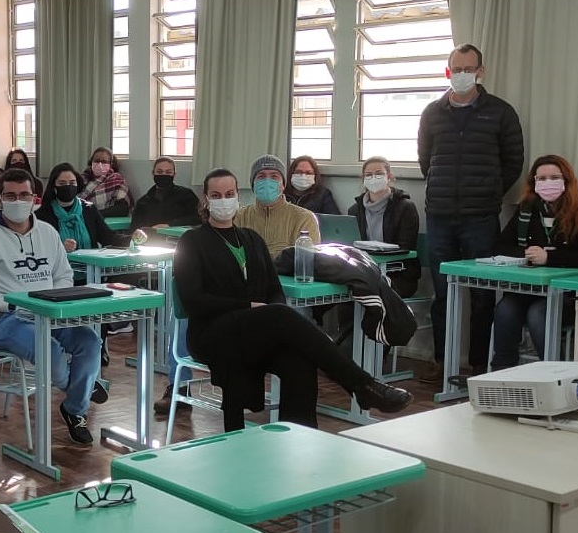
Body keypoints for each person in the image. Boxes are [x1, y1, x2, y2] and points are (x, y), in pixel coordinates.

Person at [174, 169, 412, 432]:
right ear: (205, 199)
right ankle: (362, 384)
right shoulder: (192, 241)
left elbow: (273, 290)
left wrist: (263, 313)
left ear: (237, 196)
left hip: (251, 333)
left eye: (229, 194)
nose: (224, 200)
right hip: (212, 334)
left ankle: (299, 441)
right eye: (216, 195)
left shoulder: (251, 240)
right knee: (280, 315)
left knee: (299, 360)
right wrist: (249, 307)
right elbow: (193, 299)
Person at [0, 169, 107, 447]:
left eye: (24, 194)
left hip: (48, 312)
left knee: (90, 341)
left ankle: (74, 409)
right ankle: (79, 389)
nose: (18, 200)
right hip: (4, 320)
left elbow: (63, 275)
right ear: (0, 199)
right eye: (11, 195)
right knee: (48, 349)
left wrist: (55, 299)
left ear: (34, 198)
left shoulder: (48, 233)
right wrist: (7, 303)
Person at [417, 43, 526, 381]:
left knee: (482, 296)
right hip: (439, 216)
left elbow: (513, 163)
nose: (461, 75)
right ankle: (442, 363)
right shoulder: (432, 112)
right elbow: (425, 160)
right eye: (456, 69)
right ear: (448, 71)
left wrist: (490, 193)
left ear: (480, 71)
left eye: (468, 69)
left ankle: (479, 365)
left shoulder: (501, 112)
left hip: (481, 217)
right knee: (442, 294)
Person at [490, 154, 578, 370]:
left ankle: (554, 374)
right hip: (529, 290)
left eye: (553, 177)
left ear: (567, 180)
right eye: (541, 178)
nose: (547, 183)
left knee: (538, 313)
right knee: (505, 309)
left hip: (568, 295)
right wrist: (527, 253)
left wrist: (550, 258)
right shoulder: (526, 210)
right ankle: (501, 373)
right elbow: (500, 246)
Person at [349, 157, 421, 297]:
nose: (373, 178)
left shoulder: (405, 207)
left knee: (369, 291)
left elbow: (406, 247)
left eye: (379, 173)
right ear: (363, 179)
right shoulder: (355, 210)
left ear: (389, 176)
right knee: (346, 290)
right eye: (368, 175)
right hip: (364, 272)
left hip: (398, 275)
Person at [235, 154, 321, 257]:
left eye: (274, 176)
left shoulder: (304, 219)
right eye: (261, 176)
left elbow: (306, 262)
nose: (267, 181)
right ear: (253, 184)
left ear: (283, 185)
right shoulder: (238, 217)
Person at [38, 163, 127, 252]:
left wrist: (133, 239)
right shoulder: (42, 214)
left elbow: (108, 237)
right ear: (54, 188)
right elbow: (39, 246)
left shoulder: (89, 209)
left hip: (89, 264)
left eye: (72, 183)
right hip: (59, 264)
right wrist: (59, 248)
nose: (68, 186)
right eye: (62, 183)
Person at [130, 158, 196, 232]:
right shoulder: (143, 202)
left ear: (174, 174)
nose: (164, 175)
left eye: (168, 172)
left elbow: (197, 218)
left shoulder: (186, 195)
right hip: (150, 241)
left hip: (178, 240)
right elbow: (134, 229)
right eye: (159, 172)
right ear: (153, 173)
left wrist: (169, 225)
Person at [81, 147, 133, 218]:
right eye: (97, 161)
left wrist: (97, 214)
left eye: (104, 161)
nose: (100, 164)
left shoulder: (117, 180)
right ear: (91, 162)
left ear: (111, 164)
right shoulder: (83, 178)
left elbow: (122, 209)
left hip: (104, 220)